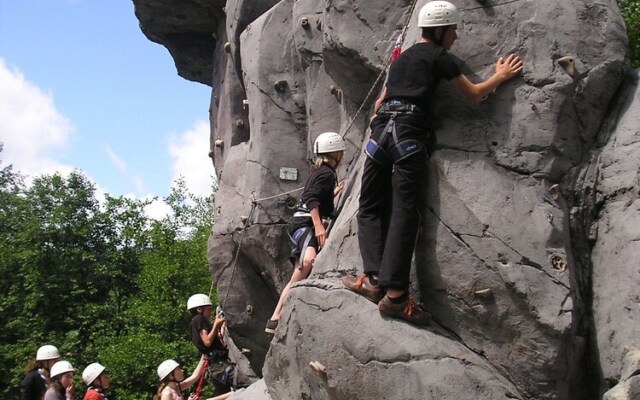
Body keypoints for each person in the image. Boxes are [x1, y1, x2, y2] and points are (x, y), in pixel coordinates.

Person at [342, 0, 523, 325]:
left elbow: (380, 103)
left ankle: (371, 280)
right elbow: (475, 92)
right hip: (408, 133)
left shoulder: (402, 60)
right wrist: (500, 75)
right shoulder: (440, 57)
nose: (455, 36)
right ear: (440, 30)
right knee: (403, 211)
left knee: (369, 206)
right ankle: (395, 296)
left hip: (381, 130)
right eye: (453, 30)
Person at [265, 131, 346, 334]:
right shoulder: (326, 173)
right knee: (307, 263)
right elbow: (311, 198)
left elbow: (314, 195)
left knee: (300, 271)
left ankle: (275, 318)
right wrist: (319, 227)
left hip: (300, 223)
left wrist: (332, 193)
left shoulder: (319, 171)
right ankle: (276, 315)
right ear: (336, 153)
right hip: (305, 223)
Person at [187, 293, 251, 396]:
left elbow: (212, 341)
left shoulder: (193, 324)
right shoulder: (199, 319)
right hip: (220, 366)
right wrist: (216, 325)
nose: (210, 311)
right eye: (208, 309)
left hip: (215, 367)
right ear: (199, 309)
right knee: (248, 384)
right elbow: (207, 342)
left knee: (225, 395)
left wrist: (219, 327)